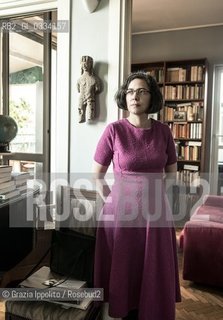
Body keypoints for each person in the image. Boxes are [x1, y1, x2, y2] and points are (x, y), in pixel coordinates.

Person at [92, 71, 181, 320]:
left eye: (142, 91)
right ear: (124, 96)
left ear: (152, 98)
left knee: (153, 268)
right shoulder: (114, 131)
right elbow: (97, 175)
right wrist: (114, 201)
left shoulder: (164, 132)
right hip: (121, 215)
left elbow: (171, 174)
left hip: (156, 214)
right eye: (130, 91)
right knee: (124, 269)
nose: (135, 96)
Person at [77, 56, 101, 123]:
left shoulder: (95, 79)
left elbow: (97, 89)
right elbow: (78, 90)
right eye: (82, 63)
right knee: (80, 114)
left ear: (91, 64)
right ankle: (81, 118)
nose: (84, 65)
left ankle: (88, 116)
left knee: (90, 115)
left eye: (86, 63)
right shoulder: (79, 80)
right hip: (82, 99)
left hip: (90, 99)